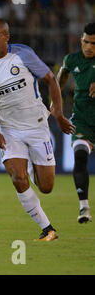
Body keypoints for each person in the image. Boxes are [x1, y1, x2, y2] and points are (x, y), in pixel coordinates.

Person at [0, 19, 75, 241]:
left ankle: (30, 166)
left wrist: (58, 114)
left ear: (6, 37)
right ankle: (47, 228)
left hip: (38, 126)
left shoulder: (23, 54)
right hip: (10, 130)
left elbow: (51, 81)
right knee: (17, 178)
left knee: (46, 187)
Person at [57, 22, 95, 224]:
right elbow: (59, 82)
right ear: (81, 40)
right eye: (85, 42)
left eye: (93, 43)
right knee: (80, 157)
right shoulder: (71, 60)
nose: (89, 47)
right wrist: (54, 105)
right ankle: (84, 208)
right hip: (82, 121)